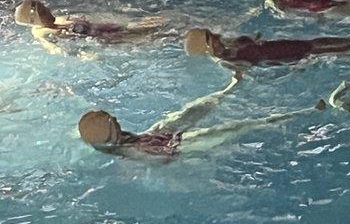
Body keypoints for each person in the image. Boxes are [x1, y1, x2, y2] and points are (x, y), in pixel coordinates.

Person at [77, 76, 325, 161]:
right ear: (109, 132)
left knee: (188, 112)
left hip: (151, 138)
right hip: (173, 150)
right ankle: (305, 112)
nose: (117, 118)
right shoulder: (126, 153)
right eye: (112, 120)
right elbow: (152, 159)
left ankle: (229, 88)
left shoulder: (110, 142)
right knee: (235, 128)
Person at [184, 28, 350, 71]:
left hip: (300, 44)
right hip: (300, 55)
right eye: (211, 39)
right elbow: (248, 73)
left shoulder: (231, 46)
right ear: (207, 49)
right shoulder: (228, 62)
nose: (216, 38)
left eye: (211, 35)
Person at [14, 0, 165, 56]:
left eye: (44, 7)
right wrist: (83, 55)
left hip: (100, 30)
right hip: (102, 39)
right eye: (42, 12)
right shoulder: (42, 33)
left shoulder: (57, 19)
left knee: (157, 22)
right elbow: (57, 50)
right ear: (34, 21)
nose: (47, 10)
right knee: (154, 36)